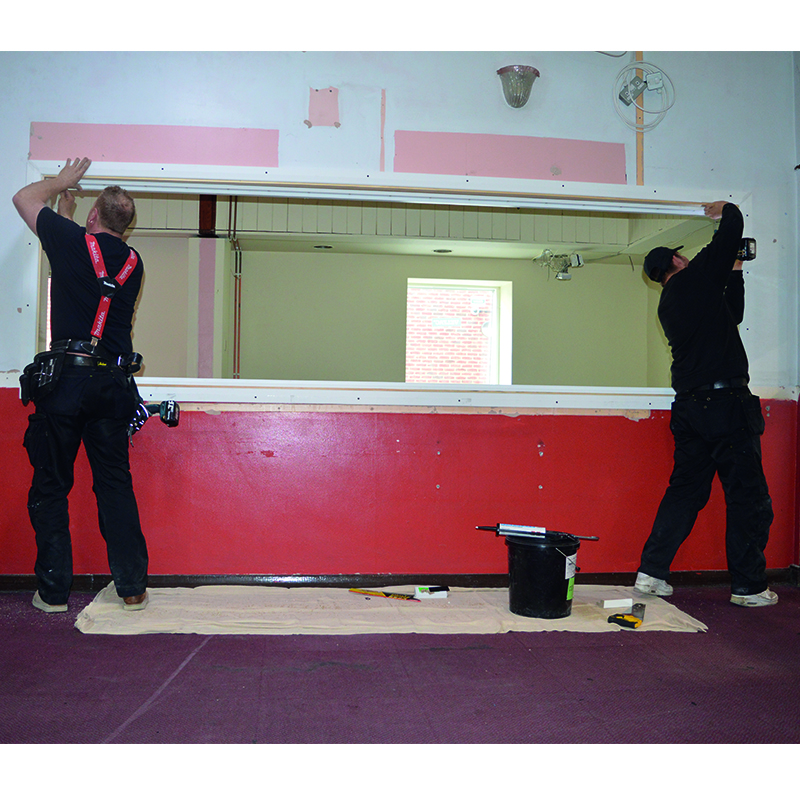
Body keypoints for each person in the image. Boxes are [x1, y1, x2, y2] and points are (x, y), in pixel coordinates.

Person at [13, 157, 149, 612]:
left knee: (52, 486)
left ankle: (53, 594)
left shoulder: (72, 240)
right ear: (125, 227)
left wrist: (60, 183)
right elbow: (92, 278)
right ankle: (131, 589)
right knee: (114, 485)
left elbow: (24, 199)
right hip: (111, 385)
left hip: (66, 383)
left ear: (93, 217)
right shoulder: (134, 262)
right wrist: (71, 221)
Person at [634, 199, 776, 607]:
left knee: (685, 492)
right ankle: (749, 587)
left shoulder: (671, 302)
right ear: (678, 260)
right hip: (726, 406)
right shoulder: (694, 279)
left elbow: (730, 314)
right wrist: (727, 209)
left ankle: (652, 573)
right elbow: (730, 229)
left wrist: (735, 272)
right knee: (747, 497)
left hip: (693, 409)